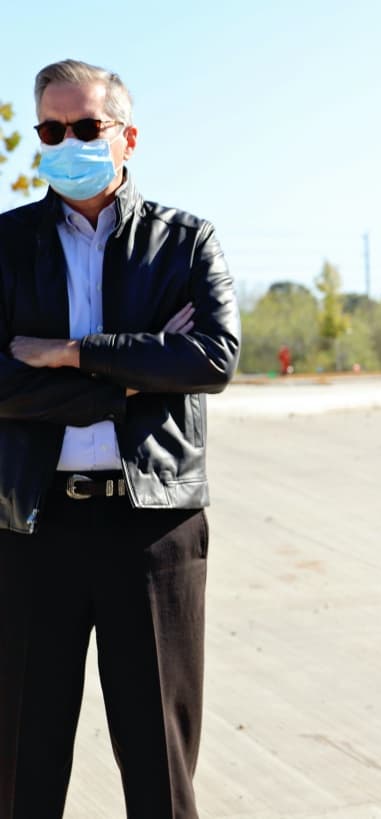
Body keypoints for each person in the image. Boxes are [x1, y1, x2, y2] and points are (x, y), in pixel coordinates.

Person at [0, 59, 240, 818]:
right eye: (50, 130)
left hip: (154, 527)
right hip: (30, 525)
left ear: (127, 137)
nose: (65, 141)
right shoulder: (6, 244)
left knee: (159, 765)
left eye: (85, 126)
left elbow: (211, 359)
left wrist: (73, 353)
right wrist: (135, 376)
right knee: (20, 764)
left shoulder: (186, 241)